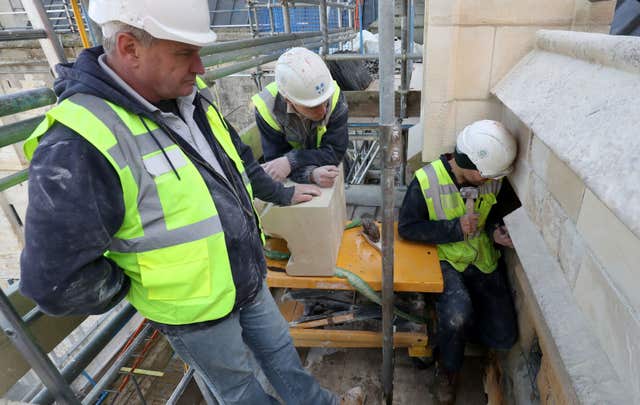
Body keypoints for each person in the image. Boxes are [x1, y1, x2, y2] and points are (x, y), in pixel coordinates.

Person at [19, 1, 363, 404]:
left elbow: (240, 167)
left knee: (282, 357)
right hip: (196, 315)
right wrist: (141, 286)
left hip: (246, 280)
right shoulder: (78, 143)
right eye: (185, 53)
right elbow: (55, 281)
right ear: (130, 47)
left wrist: (284, 192)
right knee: (240, 392)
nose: (200, 68)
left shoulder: (191, 100)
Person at [398, 120, 519, 404]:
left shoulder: (493, 180)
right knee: (457, 315)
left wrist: (496, 231)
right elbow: (407, 227)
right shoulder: (426, 180)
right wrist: (454, 229)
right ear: (474, 167)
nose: (491, 181)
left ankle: (448, 332)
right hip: (445, 258)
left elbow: (498, 214)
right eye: (487, 176)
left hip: (482, 258)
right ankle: (448, 369)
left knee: (504, 337)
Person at [252, 47, 349, 188]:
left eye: (324, 101)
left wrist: (292, 161)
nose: (322, 111)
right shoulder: (267, 109)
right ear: (289, 101)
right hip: (300, 178)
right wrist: (310, 174)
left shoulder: (333, 96)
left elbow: (335, 151)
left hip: (322, 166)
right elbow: (277, 163)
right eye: (312, 106)